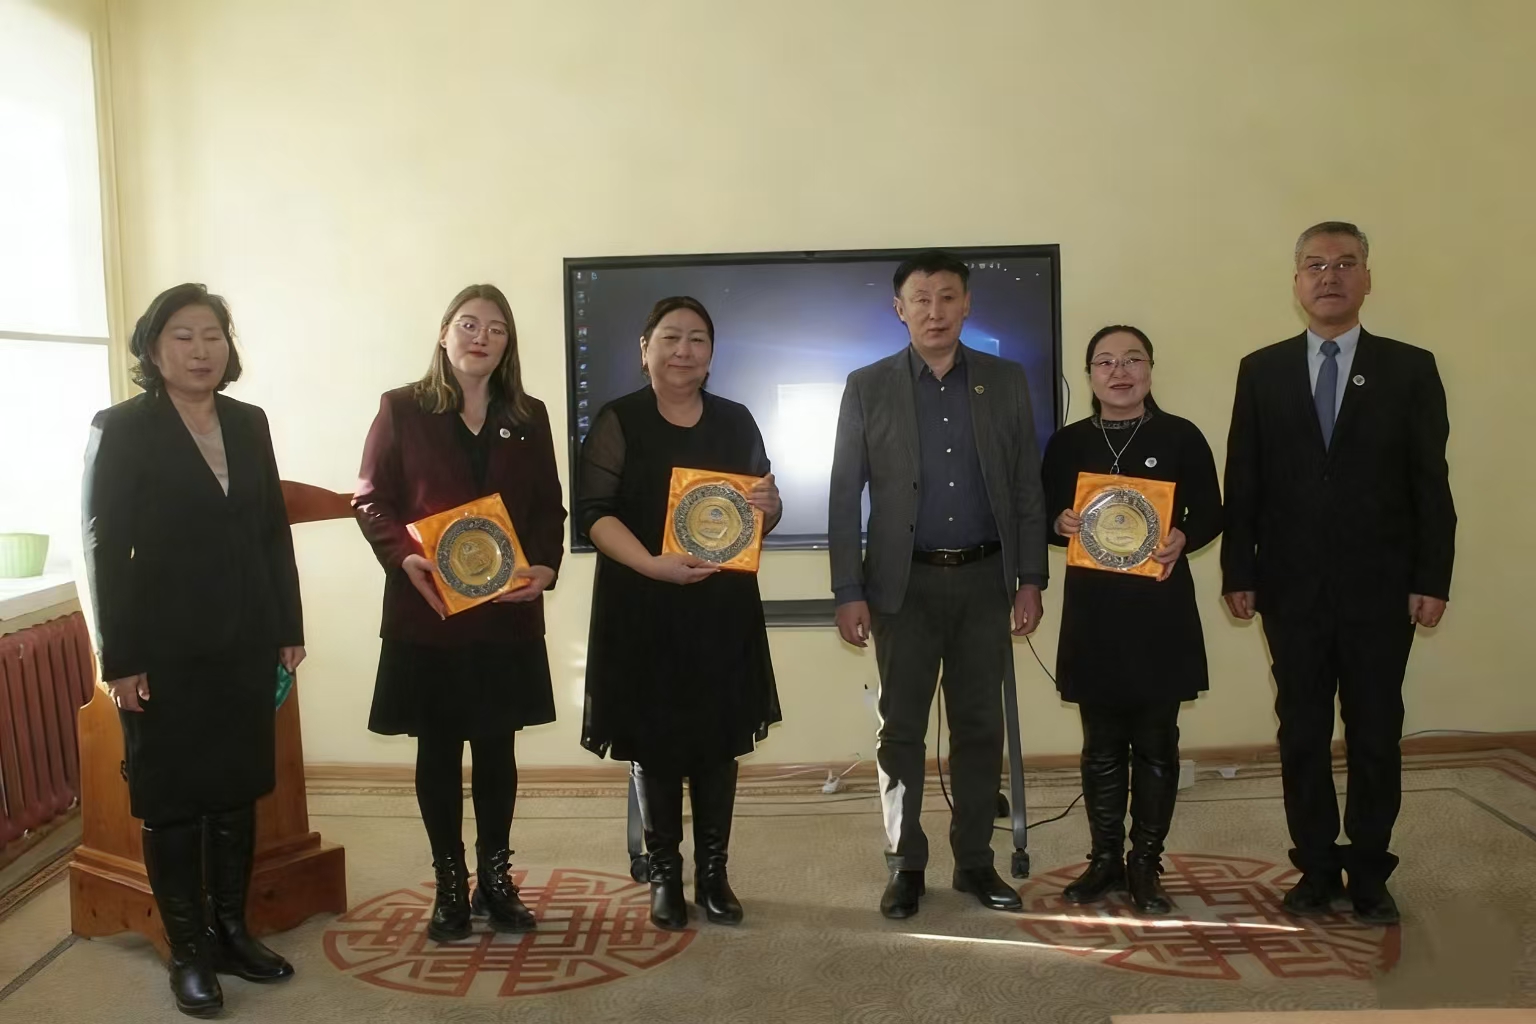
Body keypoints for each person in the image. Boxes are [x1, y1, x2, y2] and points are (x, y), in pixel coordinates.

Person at [1222, 222, 1456, 925]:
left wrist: (1433, 577)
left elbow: (1430, 483)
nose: (1331, 276)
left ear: (1367, 279)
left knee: (1376, 731)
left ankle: (1371, 869)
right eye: (1316, 264)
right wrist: (1239, 569)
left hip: (1381, 588)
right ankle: (1317, 866)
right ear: (1297, 281)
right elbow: (1244, 479)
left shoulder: (1410, 369)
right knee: (1301, 731)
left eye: (1346, 263)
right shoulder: (1261, 370)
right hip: (1289, 587)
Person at [81, 283, 305, 1018]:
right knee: (174, 799)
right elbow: (105, 548)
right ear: (153, 349)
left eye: (212, 335)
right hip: (163, 649)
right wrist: (120, 659)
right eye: (183, 336)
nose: (200, 350)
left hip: (245, 639)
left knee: (237, 791)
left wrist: (288, 626)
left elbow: (271, 530)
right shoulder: (121, 427)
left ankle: (232, 933)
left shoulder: (249, 421)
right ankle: (189, 951)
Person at [829, 249, 1048, 920]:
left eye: (948, 297)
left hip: (985, 580)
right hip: (903, 587)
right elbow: (844, 494)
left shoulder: (1005, 381)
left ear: (967, 304)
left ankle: (975, 861)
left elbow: (1026, 485)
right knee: (901, 731)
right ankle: (906, 864)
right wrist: (847, 589)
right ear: (899, 309)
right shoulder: (867, 385)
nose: (935, 311)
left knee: (980, 729)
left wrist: (1031, 577)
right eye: (921, 299)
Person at [353, 284, 566, 942]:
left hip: (505, 612)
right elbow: (370, 499)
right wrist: (402, 557)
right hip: (430, 612)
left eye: (496, 329)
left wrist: (546, 567)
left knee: (498, 747)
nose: (481, 337)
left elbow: (548, 508)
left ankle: (495, 881)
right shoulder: (402, 407)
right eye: (469, 324)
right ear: (444, 334)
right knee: (439, 747)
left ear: (508, 345)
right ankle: (450, 883)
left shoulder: (528, 415)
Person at [577, 296, 782, 931]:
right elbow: (594, 514)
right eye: (670, 337)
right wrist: (650, 564)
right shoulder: (619, 420)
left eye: (697, 339)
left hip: (721, 608)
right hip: (643, 603)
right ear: (645, 350)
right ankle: (665, 874)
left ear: (711, 355)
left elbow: (761, 509)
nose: (683, 350)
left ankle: (714, 874)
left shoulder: (736, 420)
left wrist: (770, 506)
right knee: (656, 742)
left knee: (719, 743)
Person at [1041, 325, 1222, 915]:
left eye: (1132, 360)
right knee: (1099, 745)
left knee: (1156, 743)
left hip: (1159, 612)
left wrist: (1184, 535)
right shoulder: (1067, 443)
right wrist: (1059, 524)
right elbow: (1042, 514)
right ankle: (1103, 860)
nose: (1119, 372)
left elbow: (1212, 511)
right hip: (1094, 611)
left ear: (1150, 368)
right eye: (1105, 362)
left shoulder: (1180, 435)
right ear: (1090, 374)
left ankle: (1145, 862)